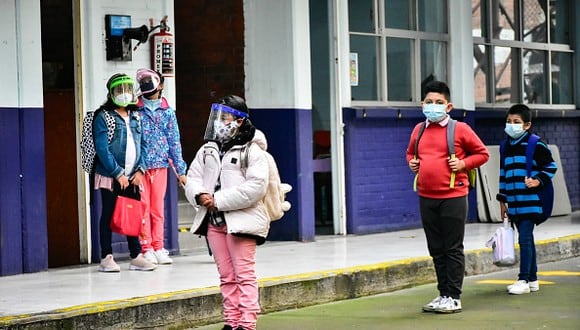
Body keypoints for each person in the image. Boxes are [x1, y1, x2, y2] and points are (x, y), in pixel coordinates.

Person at [184, 95, 270, 330]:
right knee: (227, 277)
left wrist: (218, 200)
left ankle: (247, 324)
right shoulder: (208, 149)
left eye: (226, 117)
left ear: (240, 121)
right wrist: (199, 195)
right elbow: (193, 177)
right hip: (214, 223)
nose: (220, 121)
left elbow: (256, 187)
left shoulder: (252, 151)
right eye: (218, 117)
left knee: (244, 275)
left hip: (241, 222)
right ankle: (231, 323)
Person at [406, 81, 489, 313]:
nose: (433, 106)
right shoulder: (418, 130)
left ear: (448, 106)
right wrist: (412, 164)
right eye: (429, 102)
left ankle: (454, 296)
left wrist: (463, 163)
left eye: (439, 103)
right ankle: (443, 293)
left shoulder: (459, 129)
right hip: (426, 195)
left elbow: (482, 154)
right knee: (436, 247)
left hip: (453, 196)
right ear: (422, 104)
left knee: (452, 247)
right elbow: (410, 152)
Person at [93, 73, 157, 272]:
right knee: (109, 214)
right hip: (111, 176)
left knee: (133, 214)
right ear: (111, 93)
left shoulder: (136, 115)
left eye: (127, 89)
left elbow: (144, 145)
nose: (124, 94)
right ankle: (106, 256)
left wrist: (140, 170)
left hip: (133, 176)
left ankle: (136, 255)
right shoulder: (103, 117)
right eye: (119, 90)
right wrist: (117, 173)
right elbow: (102, 148)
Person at [497, 103, 557, 295]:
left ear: (527, 125)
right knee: (527, 240)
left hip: (531, 202)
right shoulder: (505, 146)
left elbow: (551, 166)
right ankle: (532, 280)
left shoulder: (535, 144)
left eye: (516, 122)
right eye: (509, 121)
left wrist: (538, 180)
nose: (511, 125)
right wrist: (502, 201)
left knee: (524, 239)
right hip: (514, 203)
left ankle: (522, 279)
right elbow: (503, 175)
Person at [135, 69, 187, 265]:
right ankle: (145, 246)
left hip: (161, 166)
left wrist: (181, 171)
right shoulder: (135, 110)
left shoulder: (168, 112)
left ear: (161, 86)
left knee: (157, 208)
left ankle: (158, 246)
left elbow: (174, 141)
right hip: (140, 168)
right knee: (143, 207)